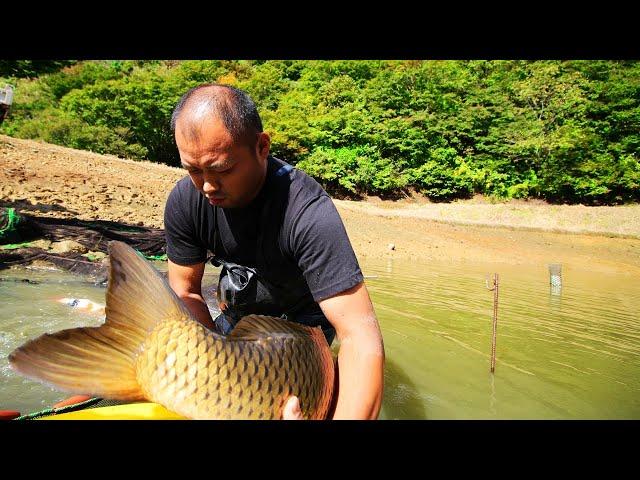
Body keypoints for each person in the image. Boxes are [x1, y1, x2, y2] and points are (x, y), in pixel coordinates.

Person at [164, 84, 384, 420]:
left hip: (302, 331)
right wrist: (212, 363)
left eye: (222, 169)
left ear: (262, 147)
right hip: (239, 317)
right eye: (193, 170)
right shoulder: (185, 201)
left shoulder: (308, 213)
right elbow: (185, 290)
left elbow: (360, 335)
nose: (207, 186)